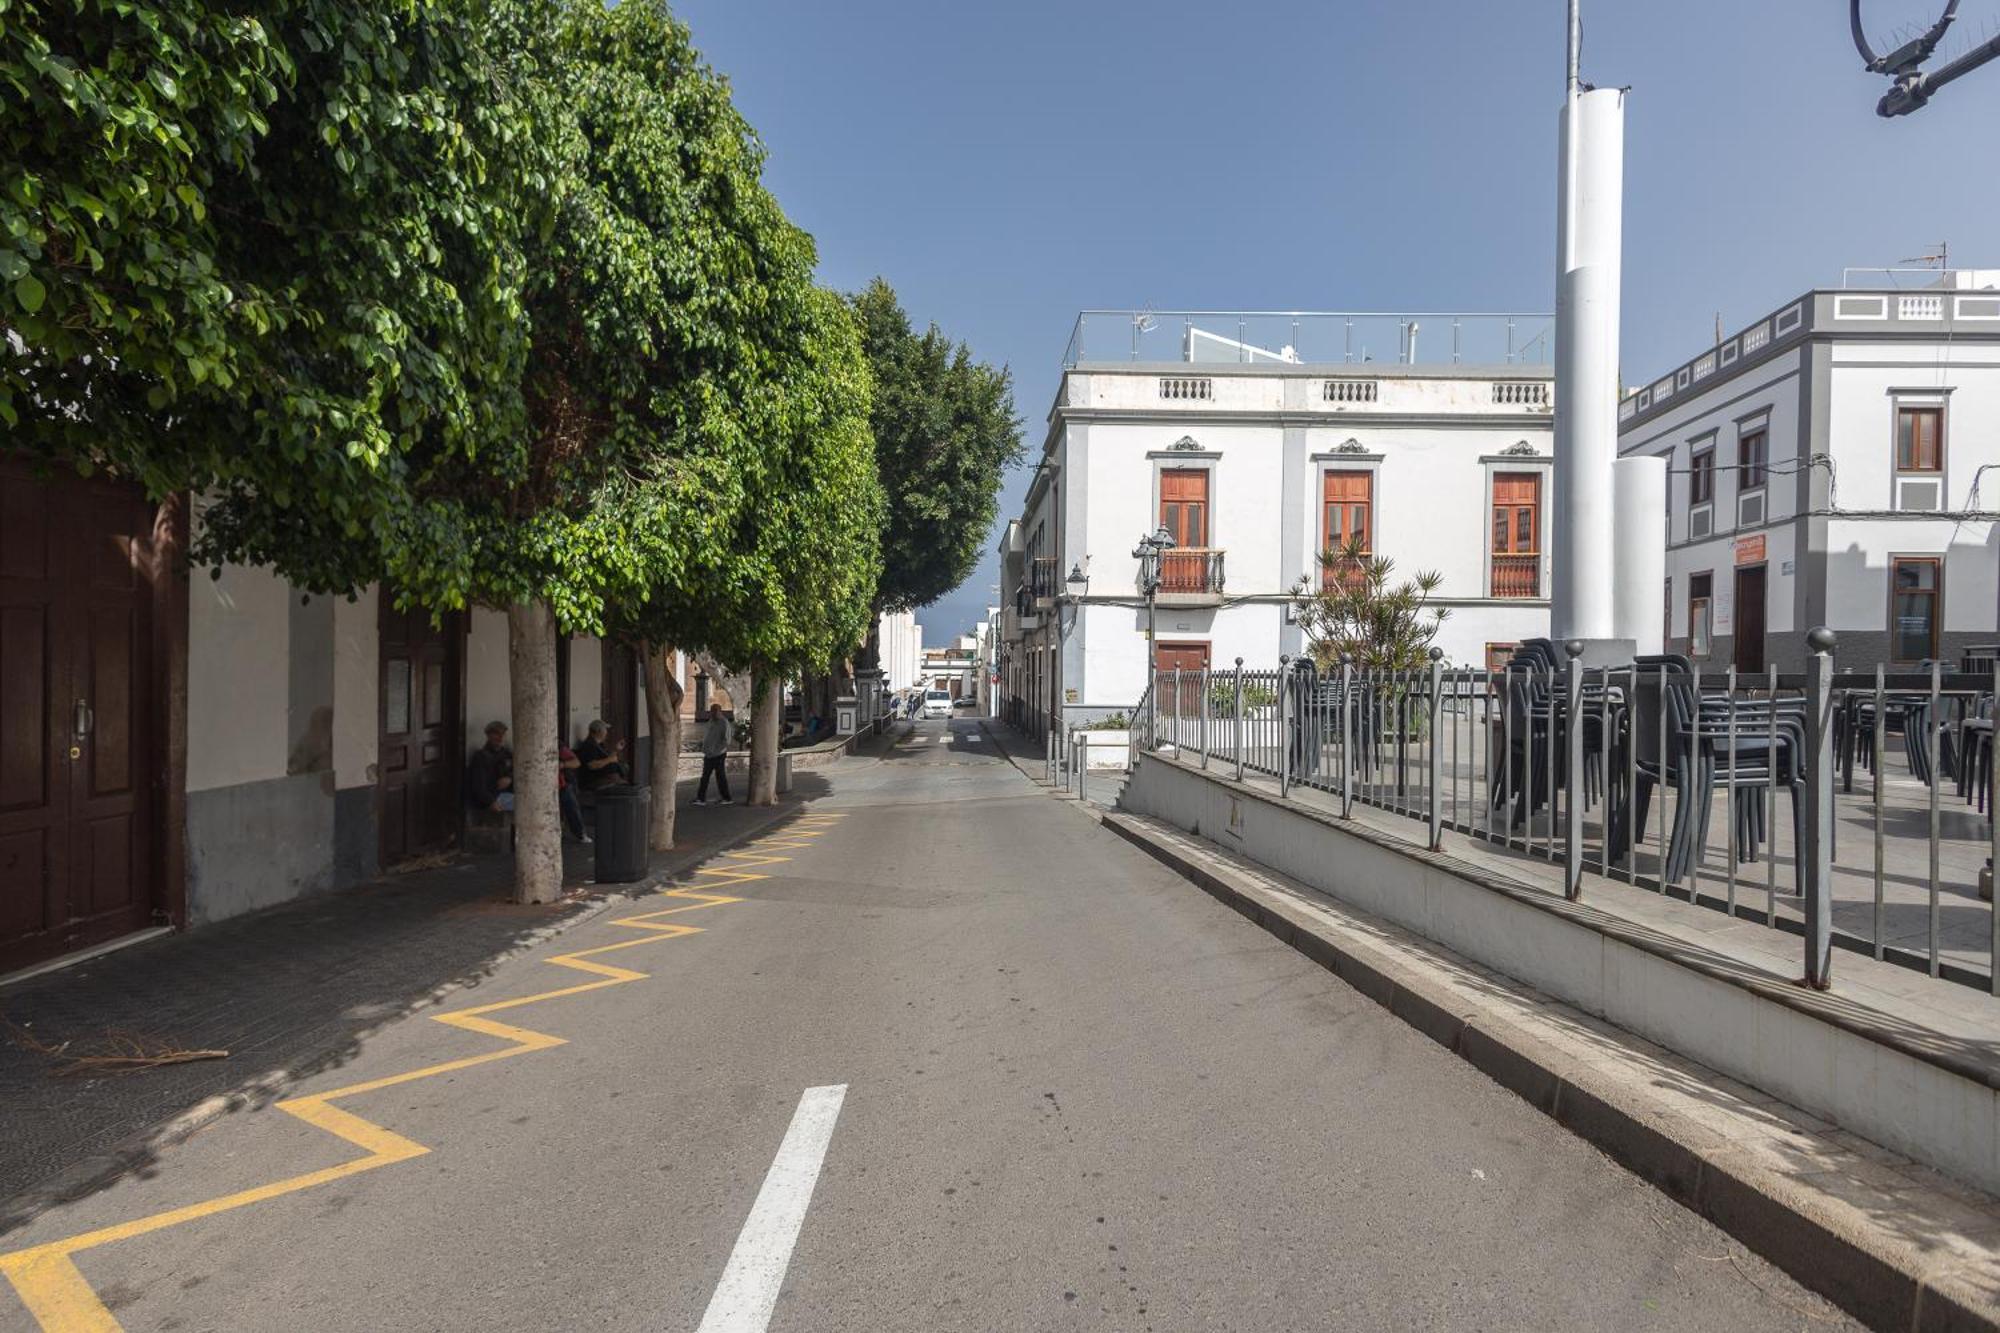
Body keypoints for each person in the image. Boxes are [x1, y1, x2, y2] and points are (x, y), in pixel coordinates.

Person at [467, 721, 514, 813]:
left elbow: (518, 773)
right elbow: (478, 787)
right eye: (496, 734)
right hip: (492, 800)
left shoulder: (507, 754)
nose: (500, 737)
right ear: (488, 736)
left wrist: (510, 778)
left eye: (503, 734)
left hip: (508, 796)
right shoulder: (480, 757)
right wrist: (491, 802)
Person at [693, 702, 732, 805]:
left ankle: (727, 798)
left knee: (720, 777)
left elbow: (727, 740)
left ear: (720, 712)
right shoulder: (711, 721)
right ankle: (700, 798)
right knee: (705, 777)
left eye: (715, 712)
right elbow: (708, 735)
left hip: (718, 754)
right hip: (709, 754)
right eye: (711, 711)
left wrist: (717, 749)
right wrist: (704, 745)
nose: (713, 714)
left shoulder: (724, 723)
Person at [575, 720, 629, 791]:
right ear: (599, 731)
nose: (606, 732)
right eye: (605, 730)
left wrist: (616, 749)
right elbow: (592, 765)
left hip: (609, 778)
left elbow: (609, 758)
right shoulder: (589, 746)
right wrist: (610, 760)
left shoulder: (599, 744)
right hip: (596, 780)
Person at [557, 742, 589, 842]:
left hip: (561, 784)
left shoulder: (559, 747)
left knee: (568, 797)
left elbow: (576, 762)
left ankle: (580, 833)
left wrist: (562, 764)